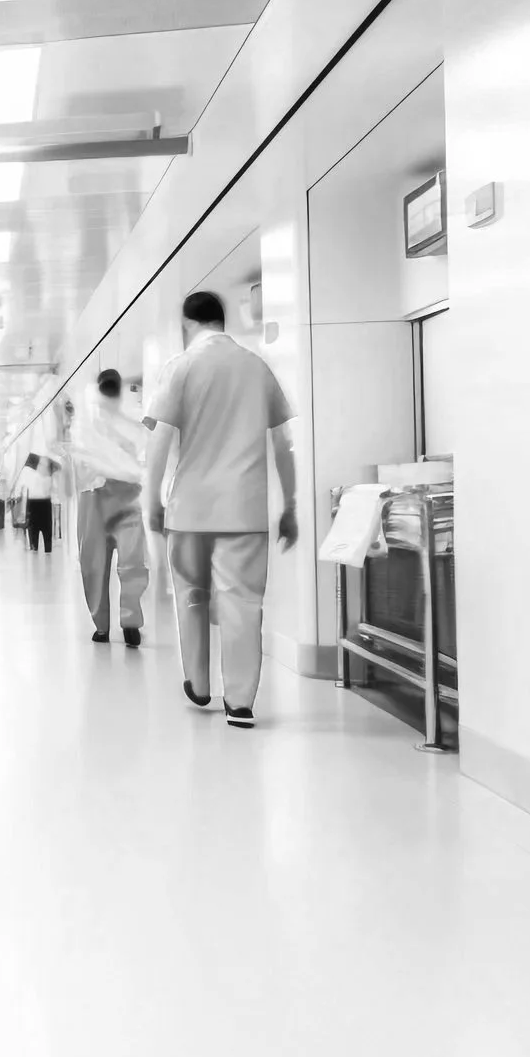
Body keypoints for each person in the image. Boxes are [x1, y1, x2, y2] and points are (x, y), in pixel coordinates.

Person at [142, 290, 299, 729]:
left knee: (191, 595)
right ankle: (241, 701)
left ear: (187, 324)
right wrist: (290, 502)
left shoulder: (181, 366)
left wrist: (150, 497)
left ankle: (198, 681)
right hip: (245, 511)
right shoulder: (256, 367)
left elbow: (159, 441)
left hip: (189, 509)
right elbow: (282, 443)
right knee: (243, 603)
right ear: (222, 320)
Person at [66, 368, 150, 647]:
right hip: (95, 499)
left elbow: (142, 461)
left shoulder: (131, 424)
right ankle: (101, 624)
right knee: (94, 564)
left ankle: (129, 621)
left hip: (126, 499)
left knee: (133, 562)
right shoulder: (85, 424)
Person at [14, 455, 53, 552]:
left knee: (41, 534)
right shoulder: (31, 473)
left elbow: (19, 488)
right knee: (40, 533)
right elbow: (19, 487)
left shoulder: (29, 472)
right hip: (39, 503)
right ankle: (38, 552)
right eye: (42, 464)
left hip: (40, 504)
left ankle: (38, 551)